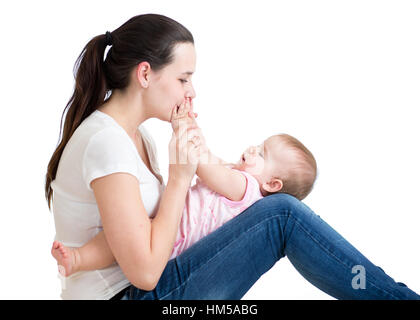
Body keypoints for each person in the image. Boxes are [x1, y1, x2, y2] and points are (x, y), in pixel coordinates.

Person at [45, 13, 420, 300]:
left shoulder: (138, 136)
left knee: (280, 214)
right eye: (183, 78)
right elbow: (144, 273)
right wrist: (179, 178)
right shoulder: (107, 142)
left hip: (147, 285)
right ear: (145, 74)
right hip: (130, 295)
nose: (191, 91)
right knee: (283, 213)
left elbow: (143, 232)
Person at [51, 101, 318, 274]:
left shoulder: (246, 188)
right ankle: (76, 260)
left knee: (117, 239)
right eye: (258, 144)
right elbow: (207, 156)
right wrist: (192, 129)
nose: (252, 149)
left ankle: (78, 259)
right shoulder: (237, 177)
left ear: (272, 184)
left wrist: (182, 130)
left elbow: (201, 163)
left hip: (174, 235)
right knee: (117, 237)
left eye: (262, 153)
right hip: (174, 235)